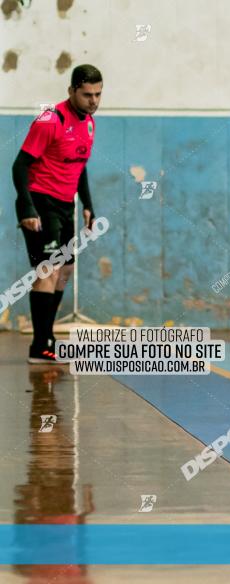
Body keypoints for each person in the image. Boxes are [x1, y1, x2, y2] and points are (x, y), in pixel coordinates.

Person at [12, 64, 102, 364]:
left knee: (64, 273)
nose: (93, 101)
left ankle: (46, 337)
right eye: (87, 94)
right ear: (72, 91)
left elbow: (80, 166)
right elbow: (20, 165)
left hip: (65, 206)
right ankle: (41, 345)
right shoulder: (51, 120)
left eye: (98, 94)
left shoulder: (88, 123)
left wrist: (87, 204)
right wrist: (26, 207)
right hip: (40, 204)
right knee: (48, 271)